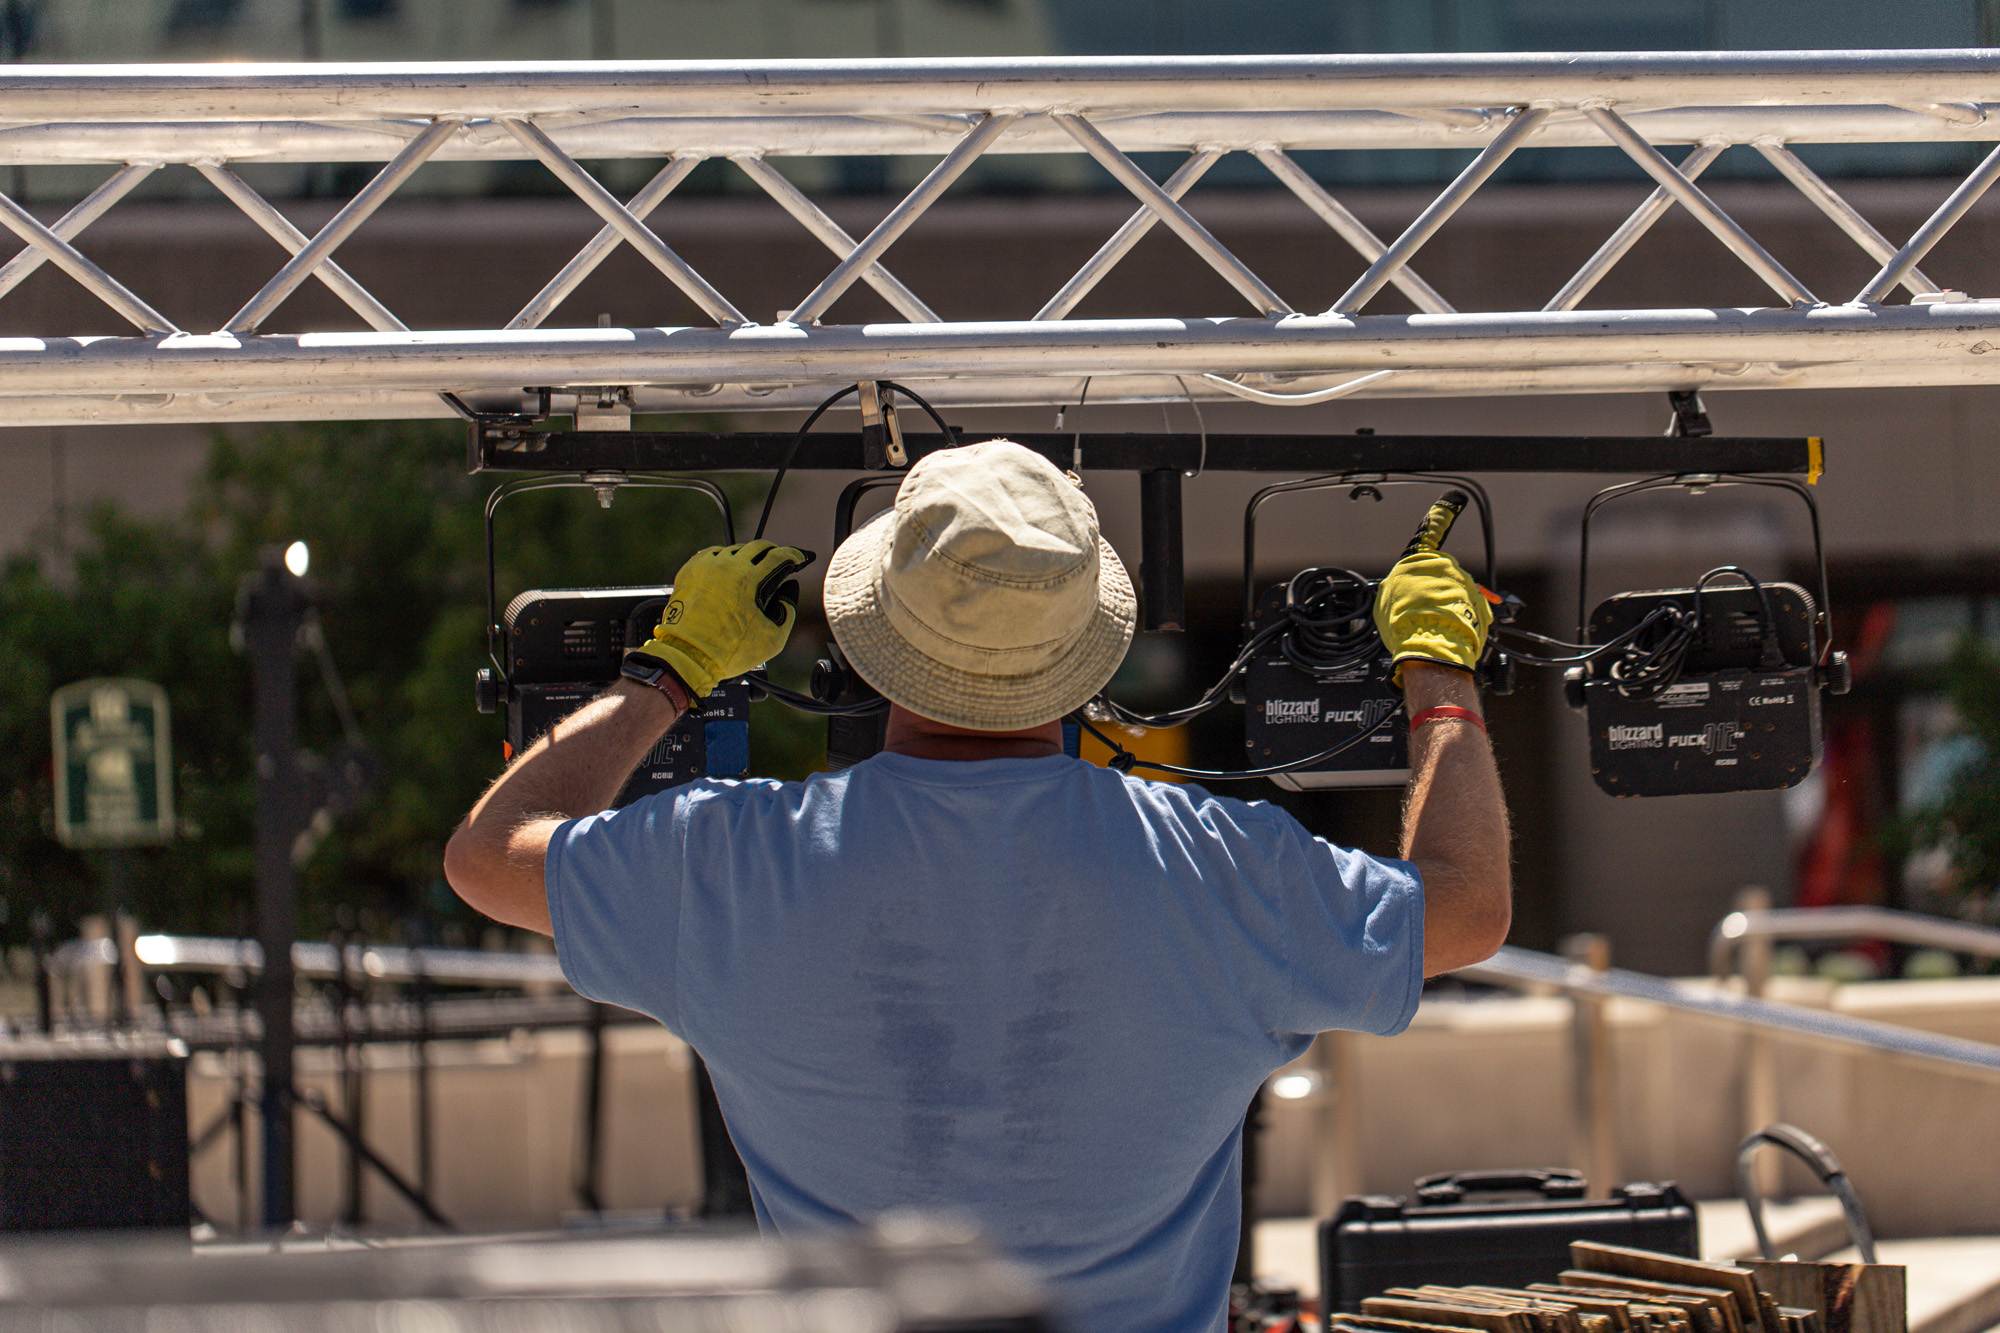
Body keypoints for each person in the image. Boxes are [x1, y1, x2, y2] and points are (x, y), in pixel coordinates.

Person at [445, 439, 1509, 1333]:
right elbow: (1464, 909)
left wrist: (671, 665)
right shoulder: (1219, 865)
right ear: (1081, 653)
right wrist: (1436, 672)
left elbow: (489, 859)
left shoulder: (734, 861)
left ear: (876, 642)